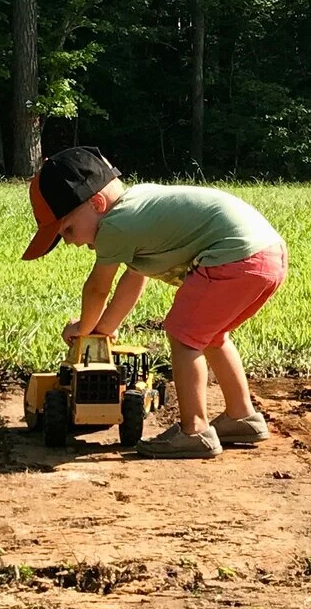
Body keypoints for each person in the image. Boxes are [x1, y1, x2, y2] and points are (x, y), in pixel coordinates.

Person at [21, 146, 288, 459]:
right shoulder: (139, 209)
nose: (71, 242)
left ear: (96, 202)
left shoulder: (115, 227)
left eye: (67, 229)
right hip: (267, 256)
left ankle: (194, 430)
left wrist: (84, 329)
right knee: (211, 337)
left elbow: (97, 288)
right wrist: (103, 330)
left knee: (183, 333)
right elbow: (133, 280)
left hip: (234, 257)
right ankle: (242, 417)